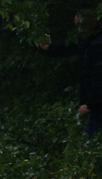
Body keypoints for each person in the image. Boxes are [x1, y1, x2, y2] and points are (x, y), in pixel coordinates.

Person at [42, 8, 102, 138]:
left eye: (81, 25)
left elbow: (99, 78)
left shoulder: (97, 44)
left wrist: (90, 104)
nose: (79, 30)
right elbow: (68, 47)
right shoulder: (86, 40)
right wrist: (49, 48)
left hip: (97, 103)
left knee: (89, 139)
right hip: (95, 102)